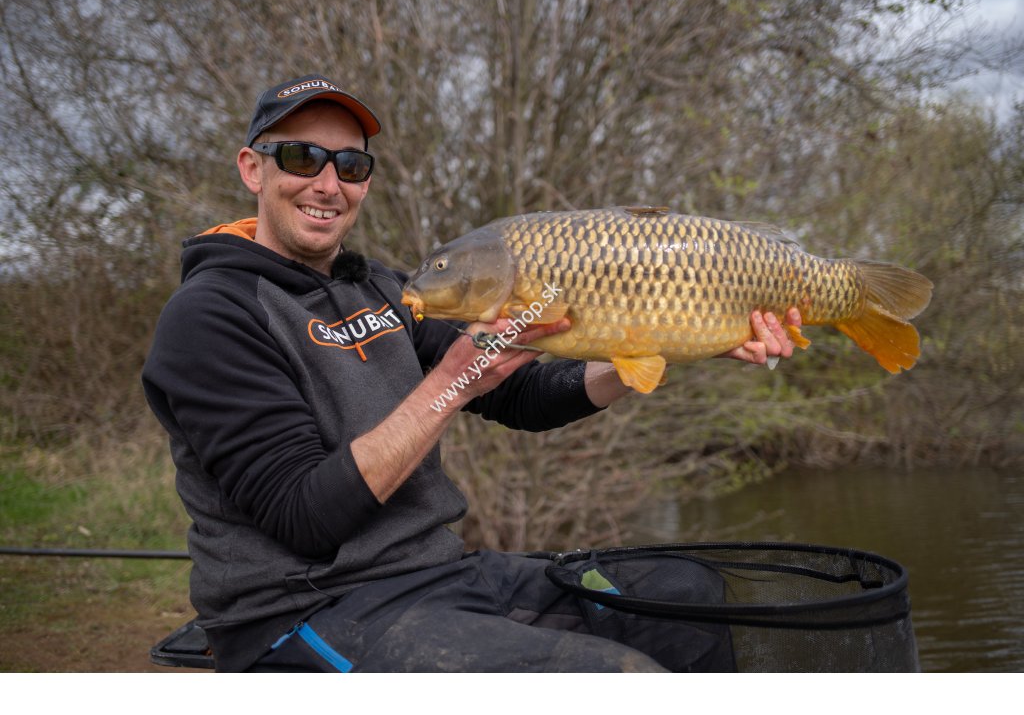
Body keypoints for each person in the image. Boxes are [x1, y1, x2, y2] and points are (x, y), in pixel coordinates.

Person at [142, 74, 803, 673]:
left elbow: (527, 398)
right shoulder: (212, 315)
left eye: (351, 164)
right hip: (302, 611)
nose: (327, 182)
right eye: (300, 157)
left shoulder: (380, 288)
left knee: (684, 595)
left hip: (438, 577)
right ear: (252, 168)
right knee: (608, 679)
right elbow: (305, 516)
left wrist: (673, 339)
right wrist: (450, 384)